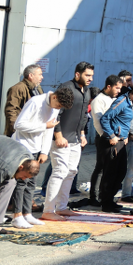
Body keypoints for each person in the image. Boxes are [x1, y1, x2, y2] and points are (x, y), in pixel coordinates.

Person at [6, 86, 73, 227]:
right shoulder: (36, 102)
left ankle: (27, 214)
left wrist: (44, 151)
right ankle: (17, 216)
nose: (58, 108)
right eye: (59, 105)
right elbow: (19, 125)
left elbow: (50, 130)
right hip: (22, 146)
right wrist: (44, 125)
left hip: (36, 149)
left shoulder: (55, 106)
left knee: (31, 183)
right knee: (20, 183)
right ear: (54, 97)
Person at [42, 62, 94, 220]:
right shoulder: (66, 88)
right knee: (59, 172)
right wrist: (58, 135)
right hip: (61, 139)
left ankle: (62, 207)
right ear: (77, 74)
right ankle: (48, 211)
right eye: (87, 75)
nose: (90, 79)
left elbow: (84, 115)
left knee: (71, 172)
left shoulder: (87, 91)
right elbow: (55, 113)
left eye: (91, 76)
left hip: (76, 139)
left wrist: (83, 134)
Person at [98, 84, 133, 212]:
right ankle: (106, 202)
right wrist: (112, 135)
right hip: (113, 142)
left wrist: (125, 134)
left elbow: (124, 121)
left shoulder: (129, 105)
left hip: (121, 140)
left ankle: (111, 199)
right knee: (110, 173)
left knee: (120, 172)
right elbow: (105, 118)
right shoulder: (122, 102)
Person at [88, 74, 123, 206]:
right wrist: (109, 136)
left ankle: (106, 195)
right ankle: (94, 195)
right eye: (117, 88)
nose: (119, 91)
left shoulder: (112, 98)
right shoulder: (99, 100)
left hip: (114, 137)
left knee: (110, 168)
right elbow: (98, 122)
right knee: (101, 168)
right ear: (109, 86)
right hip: (105, 138)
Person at [3, 64, 44, 136]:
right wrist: (16, 130)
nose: (42, 77)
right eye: (40, 74)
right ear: (31, 75)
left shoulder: (37, 88)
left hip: (32, 130)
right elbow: (11, 111)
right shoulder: (17, 88)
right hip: (20, 133)